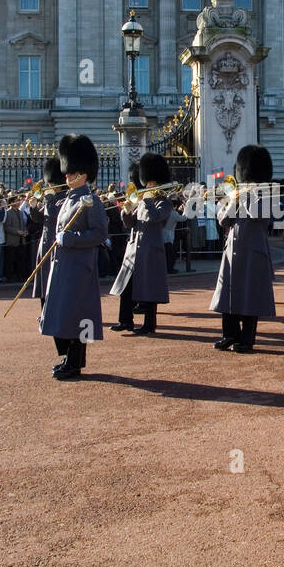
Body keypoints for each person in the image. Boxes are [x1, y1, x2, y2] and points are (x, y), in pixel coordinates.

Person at [39, 134, 109, 381]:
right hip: (64, 267)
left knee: (78, 316)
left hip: (79, 268)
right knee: (65, 314)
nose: (66, 175)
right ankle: (68, 358)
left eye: (71, 172)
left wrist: (69, 240)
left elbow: (100, 233)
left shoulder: (91, 201)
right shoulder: (70, 198)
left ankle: (75, 363)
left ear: (84, 173)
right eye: (67, 172)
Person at [210, 144, 277, 353]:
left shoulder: (268, 194)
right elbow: (223, 221)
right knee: (228, 293)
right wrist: (232, 201)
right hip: (232, 251)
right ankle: (229, 334)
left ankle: (247, 339)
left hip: (253, 251)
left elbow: (260, 215)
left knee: (250, 296)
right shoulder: (238, 194)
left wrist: (245, 196)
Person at [110, 152, 172, 335]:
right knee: (126, 287)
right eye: (147, 182)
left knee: (150, 289)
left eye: (151, 183)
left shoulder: (164, 202)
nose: (147, 185)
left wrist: (148, 201)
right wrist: (126, 211)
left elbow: (156, 218)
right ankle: (125, 320)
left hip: (151, 250)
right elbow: (129, 224)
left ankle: (149, 324)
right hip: (134, 249)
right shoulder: (142, 201)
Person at [30, 158, 64, 303]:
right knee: (43, 278)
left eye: (51, 183)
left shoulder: (63, 199)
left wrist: (49, 200)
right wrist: (33, 207)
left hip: (55, 242)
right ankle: (44, 310)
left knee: (54, 278)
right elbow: (39, 218)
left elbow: (54, 215)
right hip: (44, 242)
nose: (48, 185)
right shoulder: (50, 199)